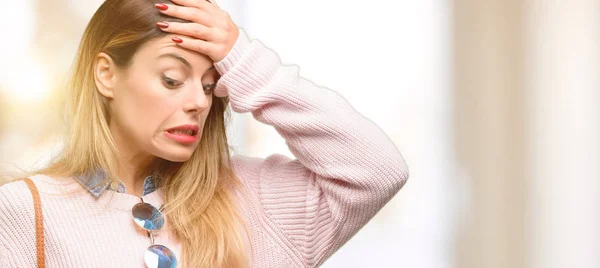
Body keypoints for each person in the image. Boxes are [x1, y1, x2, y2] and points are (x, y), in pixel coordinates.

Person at [0, 0, 409, 267]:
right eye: (173, 79)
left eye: (211, 84)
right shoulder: (24, 211)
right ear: (106, 74)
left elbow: (377, 170)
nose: (199, 101)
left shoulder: (252, 200)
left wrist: (243, 58)